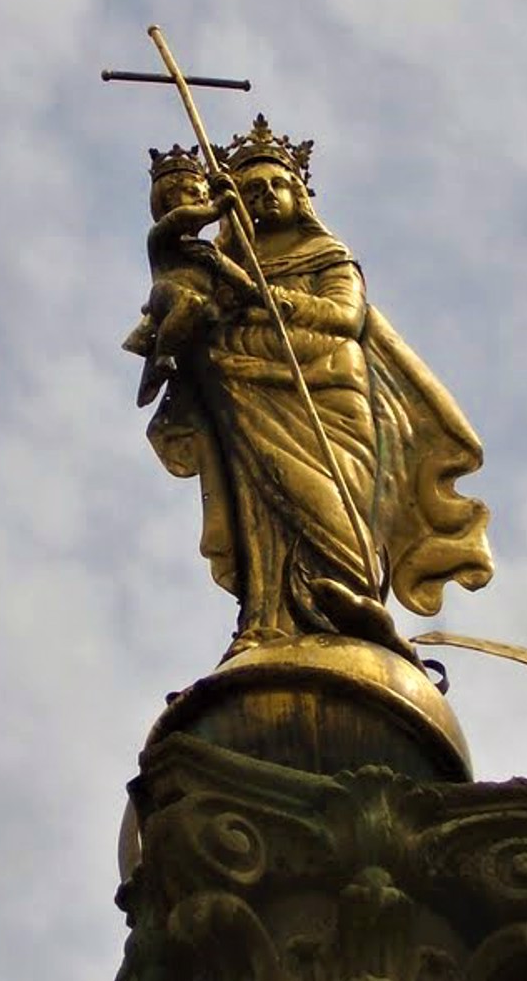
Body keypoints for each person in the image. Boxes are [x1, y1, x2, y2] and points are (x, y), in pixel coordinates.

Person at [139, 115, 492, 656]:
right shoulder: (225, 265)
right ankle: (266, 617)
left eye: (277, 186)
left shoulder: (329, 257)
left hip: (327, 394)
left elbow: (343, 318)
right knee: (261, 502)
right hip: (248, 388)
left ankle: (354, 597)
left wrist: (265, 296)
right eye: (252, 190)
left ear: (298, 194)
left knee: (332, 497)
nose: (265, 197)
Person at [122, 145, 259, 407]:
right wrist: (219, 205)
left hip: (205, 308)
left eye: (204, 195)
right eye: (191, 192)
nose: (200, 199)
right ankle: (163, 356)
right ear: (168, 198)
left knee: (210, 310)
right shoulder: (163, 233)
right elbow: (189, 216)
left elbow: (243, 240)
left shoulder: (206, 250)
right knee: (190, 302)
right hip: (167, 294)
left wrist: (233, 198)